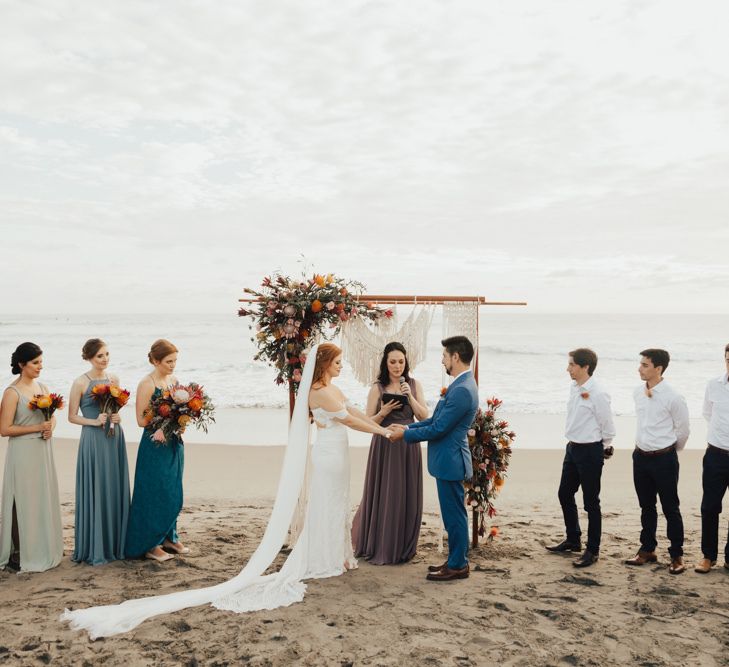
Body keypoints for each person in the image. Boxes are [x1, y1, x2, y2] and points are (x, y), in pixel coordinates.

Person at [62, 342, 393, 638]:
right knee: (158, 492)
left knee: (175, 494)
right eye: (337, 362)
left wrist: (379, 424)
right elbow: (348, 420)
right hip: (321, 454)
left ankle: (337, 553)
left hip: (326, 451)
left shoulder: (331, 388)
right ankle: (150, 542)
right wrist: (380, 433)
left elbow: (351, 413)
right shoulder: (318, 392)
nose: (340, 366)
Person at [390, 336, 479, 581]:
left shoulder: (462, 390)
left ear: (455, 357)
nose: (442, 361)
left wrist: (405, 436)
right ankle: (455, 560)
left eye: (444, 356)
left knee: (454, 516)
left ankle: (458, 565)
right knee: (453, 515)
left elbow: (439, 429)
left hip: (451, 461)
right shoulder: (461, 384)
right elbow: (436, 421)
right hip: (448, 460)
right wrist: (408, 428)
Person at [352, 342, 429, 564]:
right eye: (392, 362)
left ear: (406, 363)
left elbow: (424, 417)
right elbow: (366, 422)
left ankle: (403, 545)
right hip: (384, 444)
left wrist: (410, 398)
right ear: (386, 363)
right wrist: (384, 412)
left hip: (407, 443)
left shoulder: (414, 385)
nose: (397, 366)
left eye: (401, 362)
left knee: (406, 494)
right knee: (386, 493)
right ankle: (381, 543)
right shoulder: (377, 388)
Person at [546, 348, 616, 568]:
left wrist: (603, 448)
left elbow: (608, 427)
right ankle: (573, 539)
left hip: (590, 450)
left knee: (591, 502)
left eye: (572, 365)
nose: (568, 369)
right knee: (564, 493)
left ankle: (592, 550)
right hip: (572, 447)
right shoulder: (573, 387)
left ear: (585, 367)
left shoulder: (599, 392)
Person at [625, 348, 689, 575]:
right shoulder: (637, 392)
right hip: (640, 457)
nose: (639, 368)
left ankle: (676, 555)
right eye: (640, 363)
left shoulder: (673, 396)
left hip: (664, 459)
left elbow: (683, 430)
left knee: (671, 508)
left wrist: (669, 451)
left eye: (645, 365)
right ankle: (647, 549)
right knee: (646, 506)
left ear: (658, 368)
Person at [0, 342, 63, 572]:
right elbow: (5, 429)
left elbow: (51, 418)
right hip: (23, 452)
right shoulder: (12, 393)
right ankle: (18, 551)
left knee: (40, 498)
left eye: (41, 362)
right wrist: (37, 428)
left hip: (42, 450)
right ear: (21, 364)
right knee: (22, 499)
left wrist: (50, 427)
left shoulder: (43, 387)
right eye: (35, 363)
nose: (40, 367)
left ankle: (41, 546)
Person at [68, 338, 131, 565]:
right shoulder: (80, 383)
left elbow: (117, 407)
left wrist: (117, 416)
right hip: (94, 439)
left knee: (114, 486)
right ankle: (96, 546)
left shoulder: (113, 379)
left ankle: (116, 543)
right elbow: (72, 416)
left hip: (114, 438)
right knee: (97, 486)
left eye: (106, 355)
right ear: (89, 358)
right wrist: (95, 421)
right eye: (99, 356)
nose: (104, 360)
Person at [125, 339, 187, 562]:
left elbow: (180, 408)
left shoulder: (174, 380)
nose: (173, 365)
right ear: (155, 360)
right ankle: (150, 544)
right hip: (154, 443)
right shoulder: (147, 383)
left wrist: (181, 419)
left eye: (175, 360)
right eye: (169, 361)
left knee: (172, 490)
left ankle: (169, 537)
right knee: (154, 491)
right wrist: (166, 416)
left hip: (173, 442)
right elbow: (141, 420)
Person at [695, 343, 729, 574]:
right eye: (728, 359)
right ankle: (708, 556)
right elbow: (708, 413)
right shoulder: (713, 385)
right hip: (716, 454)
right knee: (709, 507)